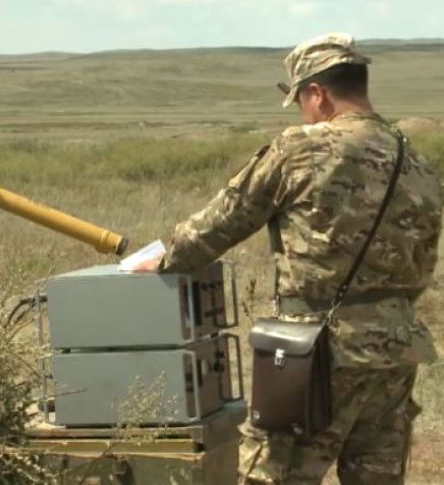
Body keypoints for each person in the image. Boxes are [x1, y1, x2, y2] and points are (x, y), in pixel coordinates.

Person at [155, 33, 442, 484]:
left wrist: (163, 258)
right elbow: (424, 262)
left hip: (317, 353)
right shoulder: (416, 162)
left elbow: (222, 223)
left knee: (274, 475)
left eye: (302, 101)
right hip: (396, 350)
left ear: (317, 93)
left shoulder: (300, 150)